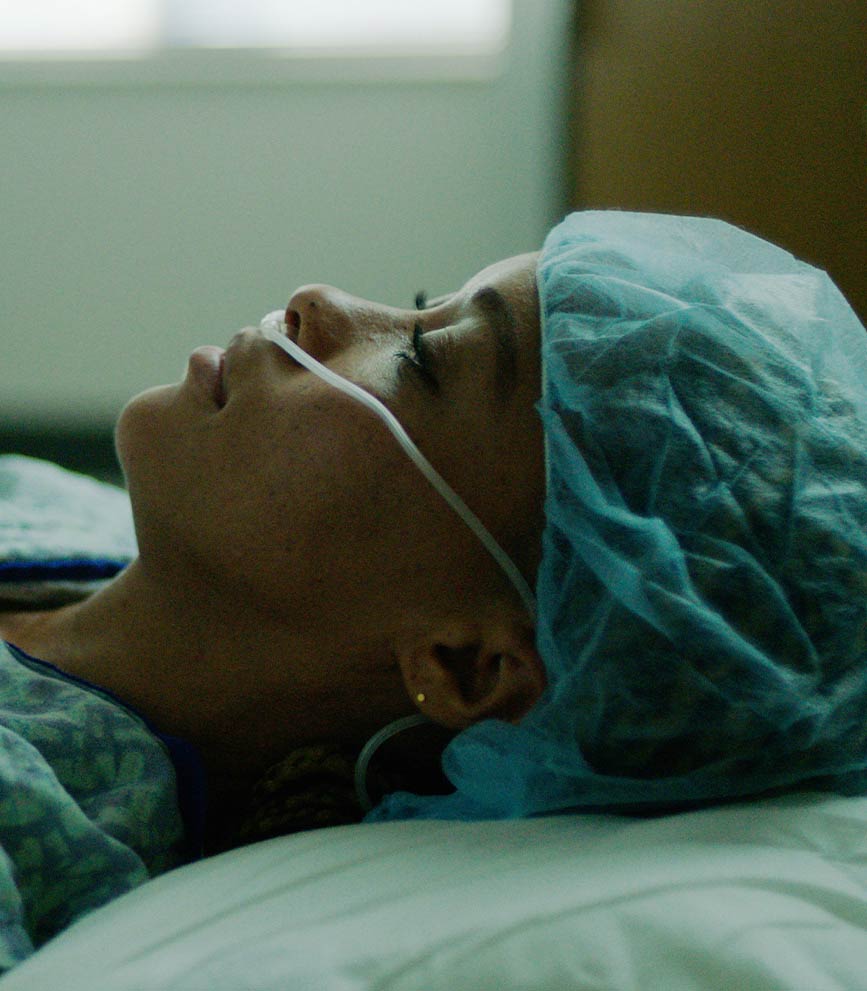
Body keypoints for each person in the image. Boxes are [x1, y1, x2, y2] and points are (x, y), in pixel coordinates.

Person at [2, 210, 867, 969]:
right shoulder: (75, 522)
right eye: (421, 304)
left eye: (422, 358)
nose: (319, 302)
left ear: (463, 664)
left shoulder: (38, 826)